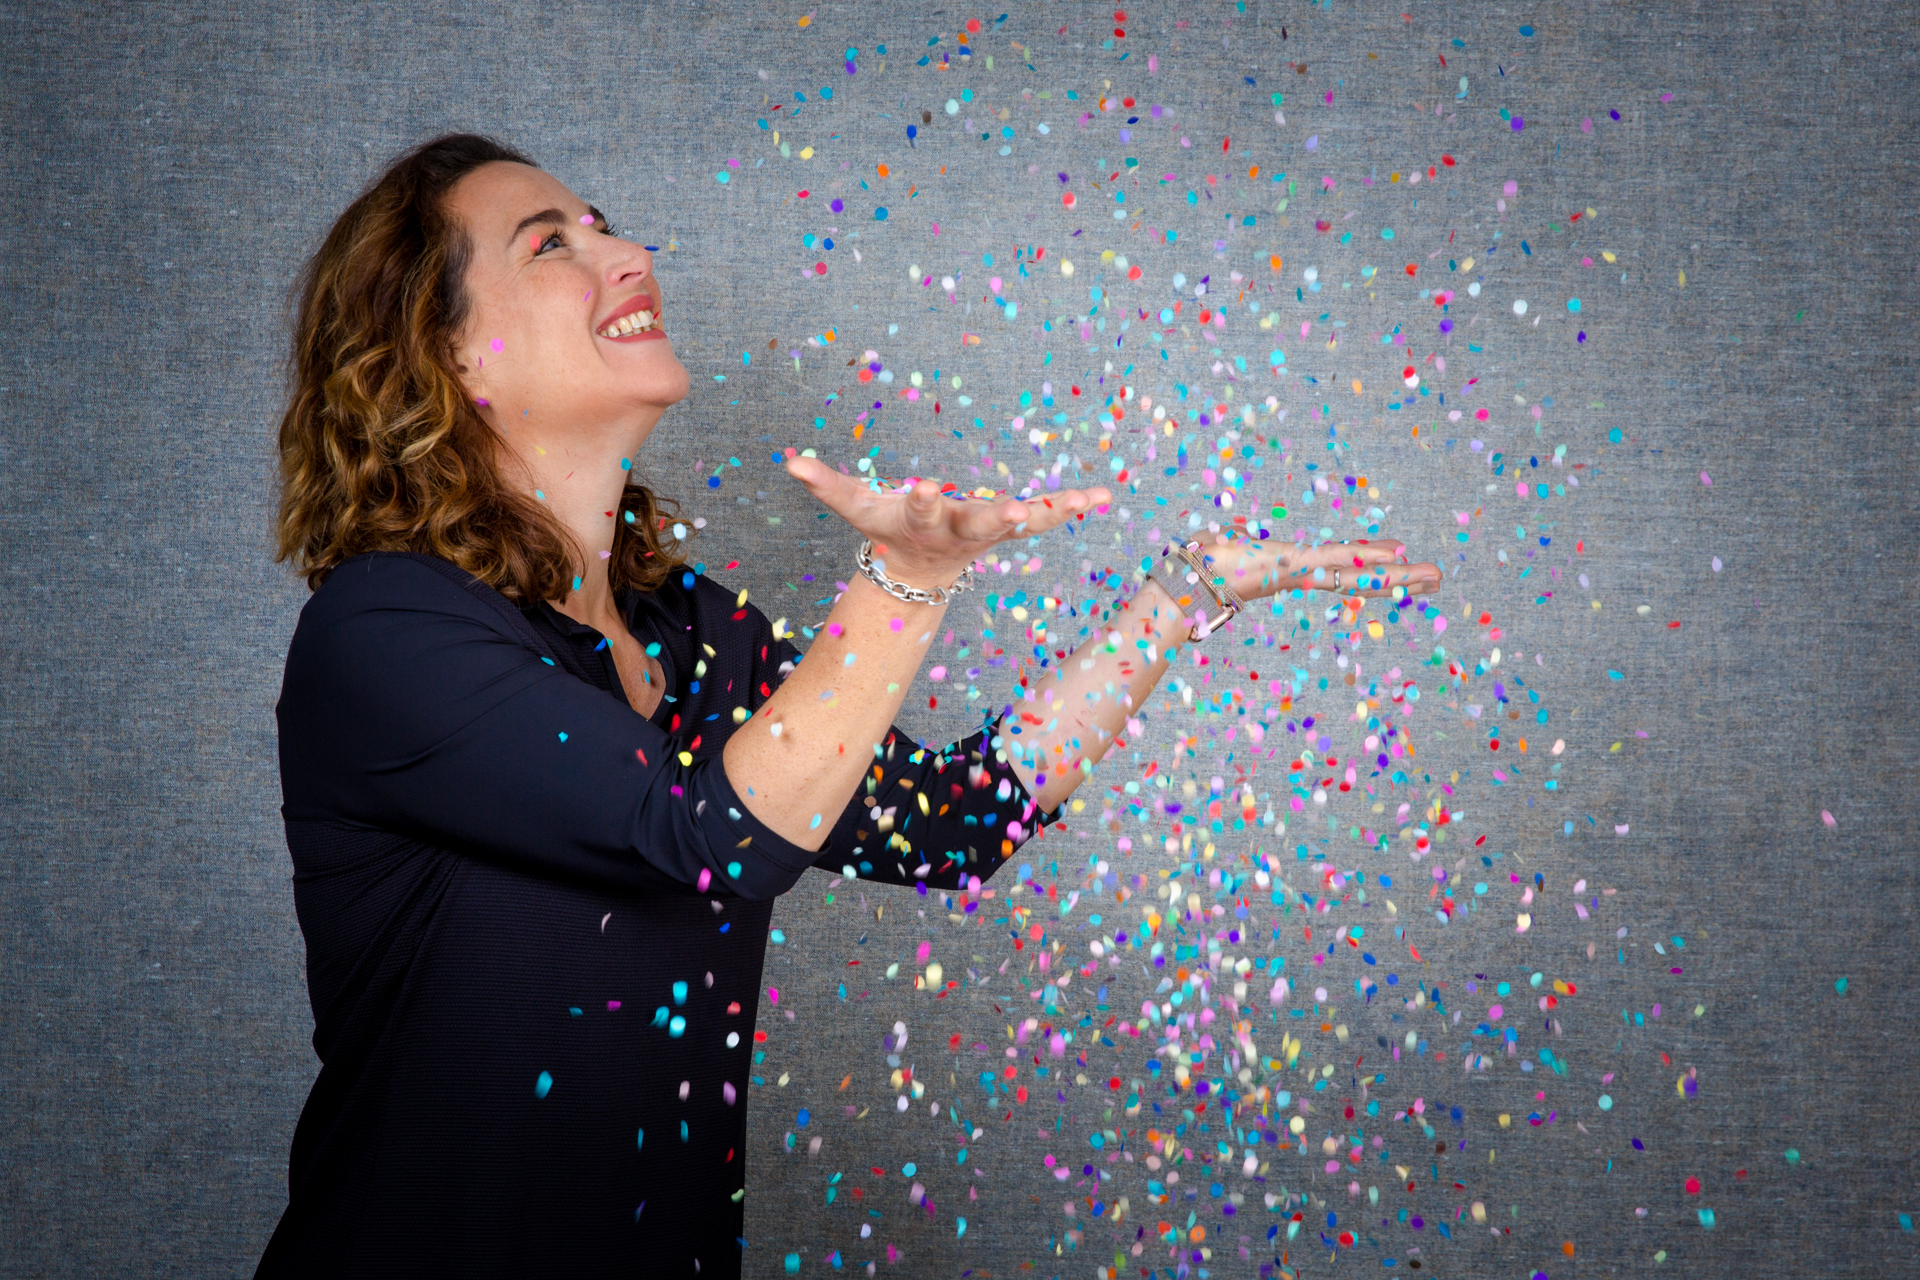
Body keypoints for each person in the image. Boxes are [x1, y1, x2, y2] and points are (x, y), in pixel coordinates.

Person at [257, 133, 1440, 1277]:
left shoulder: (696, 633)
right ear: (450, 356)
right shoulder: (386, 631)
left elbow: (959, 821)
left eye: (605, 226)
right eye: (550, 243)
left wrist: (1183, 597)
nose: (628, 256)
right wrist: (908, 579)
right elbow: (707, 832)